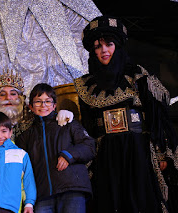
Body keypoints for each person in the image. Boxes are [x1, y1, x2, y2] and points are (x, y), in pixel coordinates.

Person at [74, 15, 178, 212]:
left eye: (109, 44)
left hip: (137, 150)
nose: (103, 50)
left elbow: (158, 118)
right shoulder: (85, 86)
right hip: (106, 155)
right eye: (97, 46)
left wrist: (161, 153)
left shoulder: (138, 76)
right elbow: (87, 127)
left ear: (118, 47)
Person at [16, 83, 95, 213]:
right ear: (30, 106)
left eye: (48, 101)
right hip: (42, 195)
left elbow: (89, 146)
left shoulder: (68, 123)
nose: (43, 105)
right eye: (38, 102)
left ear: (54, 105)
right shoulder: (25, 136)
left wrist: (69, 155)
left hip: (71, 189)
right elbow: (21, 164)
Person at [0, 68, 74, 156]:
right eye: (2, 94)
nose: (8, 98)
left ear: (21, 99)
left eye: (13, 94)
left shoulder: (33, 125)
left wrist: (57, 115)